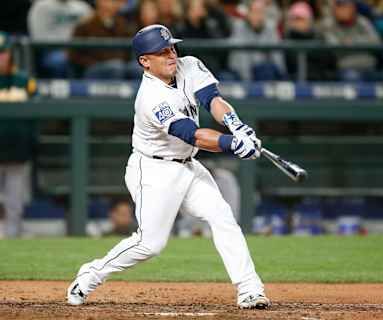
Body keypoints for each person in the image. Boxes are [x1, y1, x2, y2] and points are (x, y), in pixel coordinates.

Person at [66, 24, 271, 310]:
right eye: (161, 52)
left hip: (188, 165)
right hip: (153, 171)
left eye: (172, 47)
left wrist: (236, 125)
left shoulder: (189, 65)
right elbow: (192, 134)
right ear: (145, 61)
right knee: (149, 244)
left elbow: (212, 99)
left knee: (222, 216)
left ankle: (249, 289)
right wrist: (232, 144)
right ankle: (91, 274)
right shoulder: (150, 97)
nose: (171, 54)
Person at [0, 31, 36, 238]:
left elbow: (39, 112)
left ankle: (13, 240)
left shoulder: (24, 80)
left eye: (3, 53)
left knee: (14, 205)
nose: (1, 58)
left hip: (17, 152)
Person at [68, 0, 134, 79]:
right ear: (99, 2)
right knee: (116, 68)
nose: (112, 4)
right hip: (92, 67)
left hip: (120, 65)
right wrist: (93, 63)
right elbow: (74, 54)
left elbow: (128, 51)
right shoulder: (85, 24)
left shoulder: (122, 24)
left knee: (135, 69)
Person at [319, 0, 382, 81]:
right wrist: (363, 46)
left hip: (370, 68)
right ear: (334, 9)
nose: (343, 10)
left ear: (353, 8)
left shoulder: (362, 22)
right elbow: (335, 48)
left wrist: (353, 43)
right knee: (352, 78)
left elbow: (377, 43)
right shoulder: (328, 24)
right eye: (340, 7)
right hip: (346, 69)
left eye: (346, 7)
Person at [28, 0, 93, 78]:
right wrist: (66, 50)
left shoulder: (82, 7)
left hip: (80, 50)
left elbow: (93, 31)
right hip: (52, 51)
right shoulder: (41, 6)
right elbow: (38, 37)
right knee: (59, 60)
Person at [228, 0, 285, 81]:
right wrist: (247, 81)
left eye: (261, 12)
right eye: (255, 12)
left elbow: (277, 56)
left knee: (266, 69)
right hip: (240, 73)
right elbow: (241, 58)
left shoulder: (271, 27)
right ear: (248, 13)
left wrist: (281, 75)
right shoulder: (239, 26)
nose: (258, 16)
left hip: (263, 72)